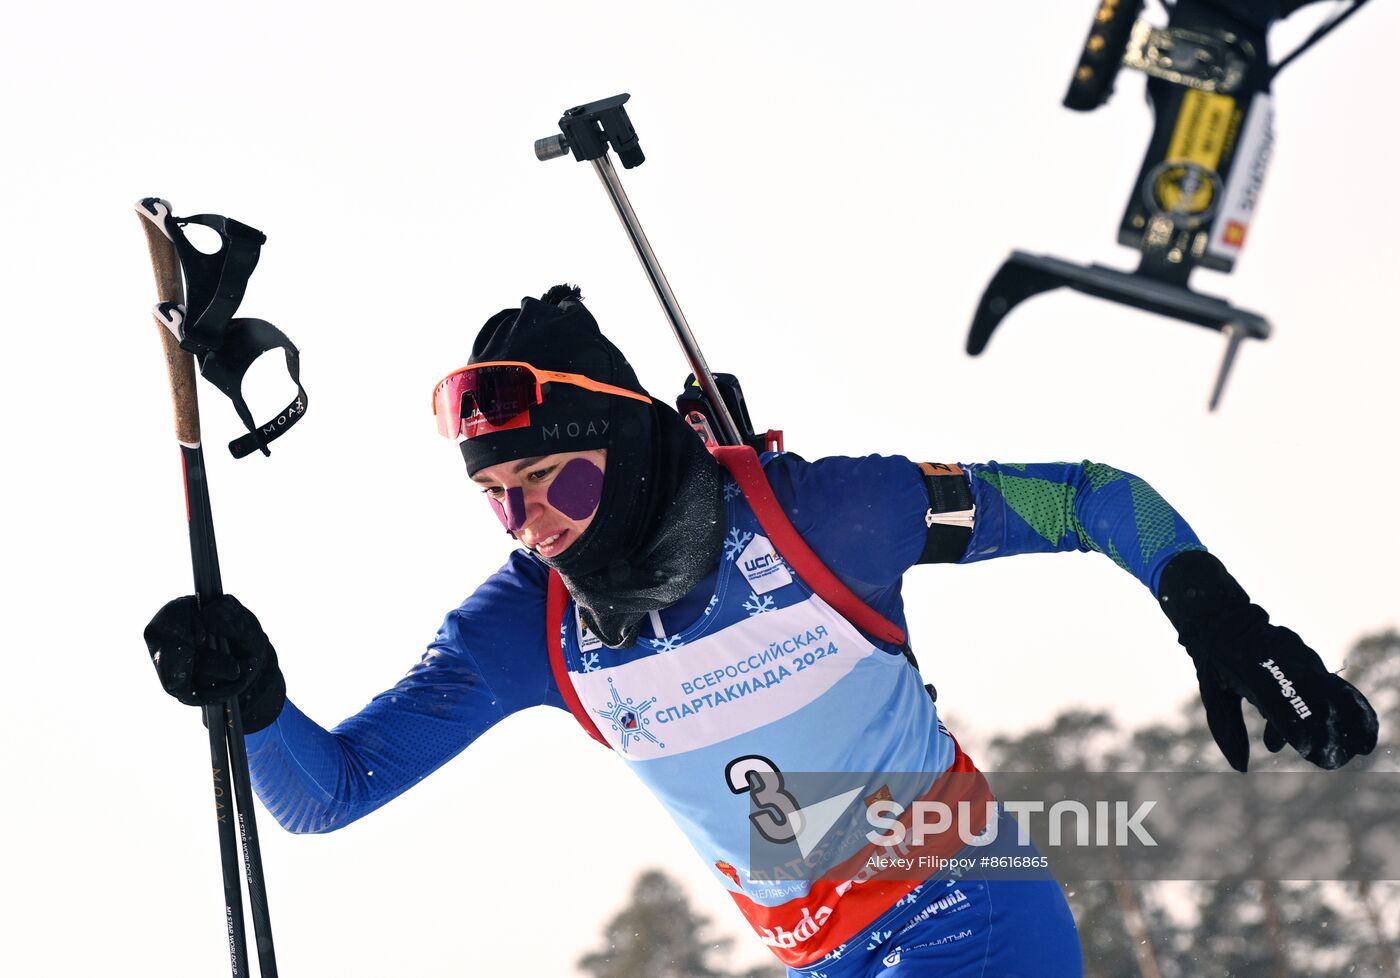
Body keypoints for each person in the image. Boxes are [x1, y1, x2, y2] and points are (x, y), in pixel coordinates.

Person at [144, 285, 1378, 977]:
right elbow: (327, 794)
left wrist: (1217, 616)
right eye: (499, 502)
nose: (535, 531)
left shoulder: (815, 521)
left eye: (557, 485)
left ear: (628, 447)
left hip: (966, 914)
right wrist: (250, 698)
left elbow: (1086, 496)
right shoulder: (526, 631)